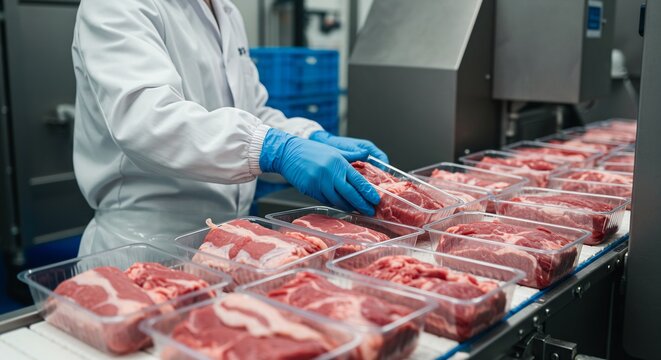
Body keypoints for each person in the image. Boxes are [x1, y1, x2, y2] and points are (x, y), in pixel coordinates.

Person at [72, 0, 388, 255]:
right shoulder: (116, 5)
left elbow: (253, 111)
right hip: (147, 244)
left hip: (228, 242)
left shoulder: (226, 10)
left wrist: (312, 137)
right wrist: (274, 149)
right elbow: (146, 121)